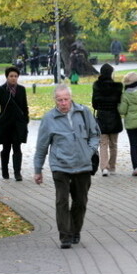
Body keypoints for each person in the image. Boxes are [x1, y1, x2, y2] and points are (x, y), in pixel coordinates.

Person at [33, 84, 99, 249]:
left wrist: (89, 151)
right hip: (60, 166)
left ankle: (75, 231)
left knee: (80, 202)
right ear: (55, 100)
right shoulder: (49, 119)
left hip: (83, 165)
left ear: (71, 98)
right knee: (62, 201)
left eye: (66, 99)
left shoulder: (83, 112)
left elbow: (95, 134)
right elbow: (41, 147)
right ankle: (65, 236)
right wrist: (37, 170)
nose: (63, 103)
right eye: (59, 100)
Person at [0, 66, 29, 181]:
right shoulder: (1, 90)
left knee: (17, 148)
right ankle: (5, 170)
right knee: (6, 148)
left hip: (18, 124)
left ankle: (17, 172)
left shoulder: (21, 89)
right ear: (7, 77)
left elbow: (24, 105)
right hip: (5, 124)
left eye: (15, 76)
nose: (13, 78)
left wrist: (25, 119)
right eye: (11, 76)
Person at [92, 64, 124, 176]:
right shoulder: (118, 86)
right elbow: (120, 102)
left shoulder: (97, 86)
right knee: (113, 144)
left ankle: (104, 167)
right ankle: (112, 167)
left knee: (103, 144)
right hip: (114, 117)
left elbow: (94, 104)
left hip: (102, 118)